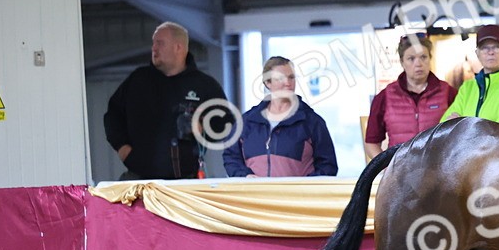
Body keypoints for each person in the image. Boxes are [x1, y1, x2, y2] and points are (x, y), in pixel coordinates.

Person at [104, 21, 230, 180]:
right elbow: (112, 116)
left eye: (160, 43)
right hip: (139, 179)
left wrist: (203, 126)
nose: (154, 48)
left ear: (178, 47)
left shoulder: (204, 85)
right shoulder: (138, 81)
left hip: (187, 181)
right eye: (153, 43)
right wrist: (123, 149)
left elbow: (225, 124)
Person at [223, 56, 338, 177]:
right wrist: (244, 176)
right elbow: (231, 157)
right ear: (268, 83)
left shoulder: (312, 122)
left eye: (291, 77)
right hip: (255, 195)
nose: (288, 83)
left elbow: (328, 165)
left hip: (297, 195)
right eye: (280, 78)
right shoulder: (246, 122)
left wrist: (305, 187)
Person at [364, 33, 456, 160]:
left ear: (430, 59)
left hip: (438, 172)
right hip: (400, 174)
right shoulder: (385, 96)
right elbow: (371, 143)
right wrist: (388, 167)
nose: (418, 63)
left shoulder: (448, 92)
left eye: (423, 57)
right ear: (402, 62)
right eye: (411, 58)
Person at [442, 24, 499, 127]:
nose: (490, 52)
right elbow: (444, 126)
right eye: (484, 48)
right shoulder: (467, 88)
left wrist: (461, 127)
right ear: (477, 54)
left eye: (496, 47)